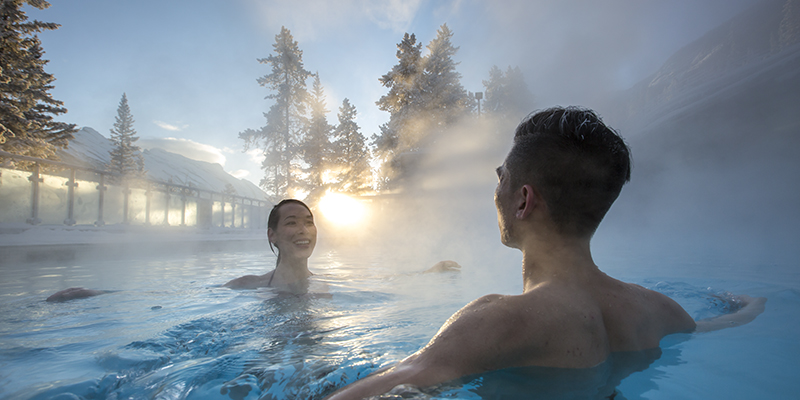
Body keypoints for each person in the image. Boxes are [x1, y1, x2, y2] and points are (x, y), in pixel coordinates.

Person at [325, 106, 766, 399]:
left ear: (523, 200)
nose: (493, 191)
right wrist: (748, 302)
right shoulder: (658, 311)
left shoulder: (499, 319)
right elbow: (724, 324)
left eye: (501, 177)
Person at [224, 199, 317, 293]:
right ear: (272, 235)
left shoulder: (327, 286)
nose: (304, 230)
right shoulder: (245, 285)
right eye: (291, 223)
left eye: (309, 222)